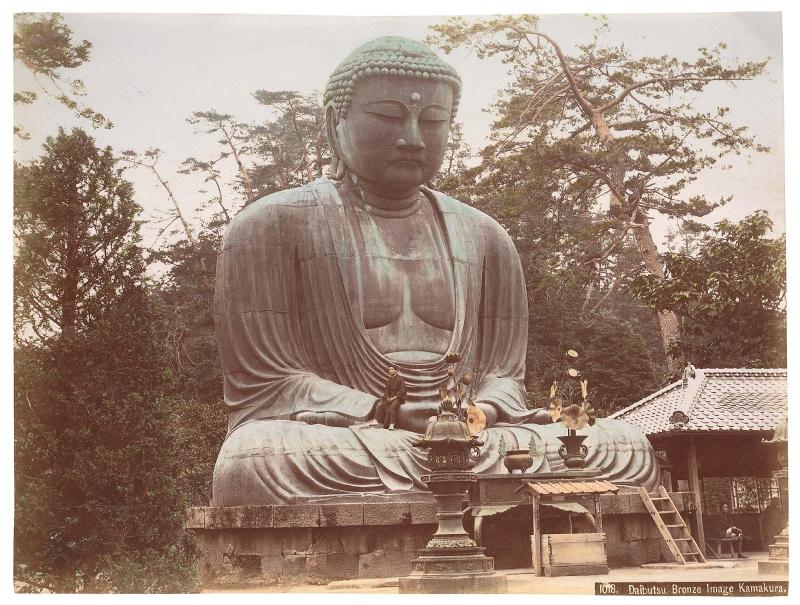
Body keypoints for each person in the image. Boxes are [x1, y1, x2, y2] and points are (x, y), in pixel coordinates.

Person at [210, 36, 660, 505]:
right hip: (358, 435)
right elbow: (268, 383)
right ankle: (487, 484)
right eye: (388, 117)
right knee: (258, 457)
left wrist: (480, 412)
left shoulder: (486, 236)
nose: (412, 137)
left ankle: (471, 476)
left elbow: (504, 374)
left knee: (624, 445)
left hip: (473, 436)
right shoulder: (269, 226)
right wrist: (386, 412)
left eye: (432, 121)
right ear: (333, 122)